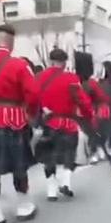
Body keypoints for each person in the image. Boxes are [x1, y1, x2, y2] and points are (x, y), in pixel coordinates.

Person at [0, 24, 39, 223]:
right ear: (11, 43)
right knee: (18, 162)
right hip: (15, 118)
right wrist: (31, 113)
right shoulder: (19, 65)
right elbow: (33, 93)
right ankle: (23, 205)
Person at [36, 49, 94, 201]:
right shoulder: (71, 78)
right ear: (65, 62)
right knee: (70, 153)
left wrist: (41, 110)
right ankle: (66, 182)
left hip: (50, 122)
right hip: (68, 123)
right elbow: (82, 100)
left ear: (50, 61)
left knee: (49, 156)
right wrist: (88, 115)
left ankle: (51, 190)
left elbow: (33, 97)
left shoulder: (40, 77)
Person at [75, 52, 109, 165]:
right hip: (83, 112)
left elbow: (101, 99)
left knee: (92, 130)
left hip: (90, 112)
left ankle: (95, 151)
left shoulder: (89, 83)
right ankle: (96, 150)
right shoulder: (89, 82)